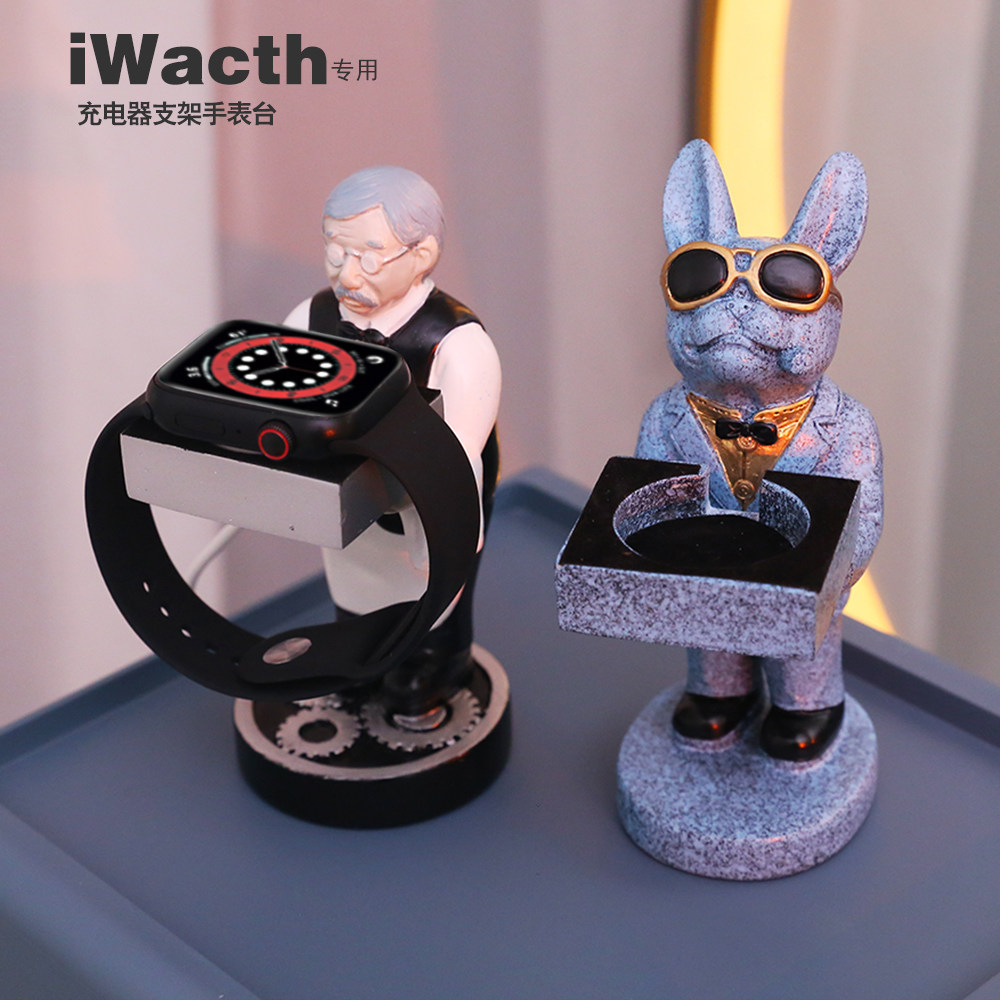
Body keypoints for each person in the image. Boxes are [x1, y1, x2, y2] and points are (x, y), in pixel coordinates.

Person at [283, 166, 501, 719]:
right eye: (336, 252)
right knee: (353, 578)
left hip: (427, 501)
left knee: (430, 588)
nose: (347, 274)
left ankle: (436, 659)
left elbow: (459, 455)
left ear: (422, 254)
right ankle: (357, 653)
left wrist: (428, 504)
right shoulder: (309, 319)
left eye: (369, 257)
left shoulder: (456, 343)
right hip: (339, 488)